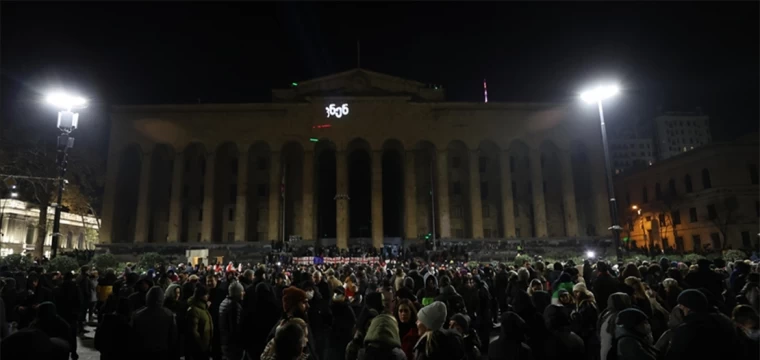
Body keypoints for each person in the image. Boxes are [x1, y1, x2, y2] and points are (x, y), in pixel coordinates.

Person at [665, 289, 739, 360]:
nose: (680, 308)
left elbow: (674, 355)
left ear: (688, 308)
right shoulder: (724, 321)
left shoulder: (687, 329)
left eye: (682, 306)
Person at [131, 286, 178, 358]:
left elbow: (133, 335)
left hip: (143, 352)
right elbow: (173, 336)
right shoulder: (169, 314)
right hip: (162, 351)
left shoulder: (137, 314)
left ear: (148, 297)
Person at [219, 282, 245, 360]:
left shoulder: (224, 302)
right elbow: (235, 328)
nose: (243, 293)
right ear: (237, 293)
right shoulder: (234, 306)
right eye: (242, 291)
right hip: (232, 345)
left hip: (225, 341)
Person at [186, 286, 213, 360]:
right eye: (206, 294)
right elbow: (193, 331)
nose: (208, 296)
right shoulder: (194, 310)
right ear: (200, 296)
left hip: (205, 346)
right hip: (199, 349)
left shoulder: (203, 307)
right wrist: (202, 346)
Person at [328, 286, 355, 359]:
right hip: (333, 338)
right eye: (335, 293)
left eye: (339, 293)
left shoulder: (347, 308)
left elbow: (352, 323)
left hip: (344, 338)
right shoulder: (331, 306)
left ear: (344, 296)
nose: (336, 295)